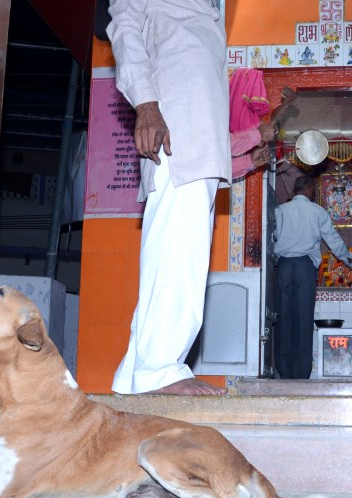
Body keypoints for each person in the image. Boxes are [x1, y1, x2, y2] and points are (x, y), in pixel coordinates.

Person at [106, 0, 230, 395]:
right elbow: (124, 21)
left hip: (197, 129)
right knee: (179, 248)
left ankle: (135, 374)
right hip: (178, 124)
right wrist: (146, 104)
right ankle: (159, 369)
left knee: (173, 250)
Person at [273, 174, 352, 379]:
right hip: (305, 269)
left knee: (283, 318)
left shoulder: (279, 211)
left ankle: (283, 370)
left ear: (294, 191)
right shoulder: (317, 212)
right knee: (303, 319)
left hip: (284, 268)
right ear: (310, 191)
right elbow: (334, 242)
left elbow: (271, 239)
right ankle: (301, 372)